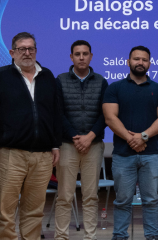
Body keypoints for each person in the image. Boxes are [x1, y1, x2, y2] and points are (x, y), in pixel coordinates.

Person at [0, 32, 63, 240]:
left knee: (34, 211)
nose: (27, 53)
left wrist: (55, 144)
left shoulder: (48, 76)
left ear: (36, 51)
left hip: (42, 156)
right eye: (22, 49)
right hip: (10, 153)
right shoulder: (0, 76)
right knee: (5, 213)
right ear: (12, 52)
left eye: (31, 48)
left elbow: (56, 113)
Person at [103, 46, 158, 240]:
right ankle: (120, 237)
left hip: (151, 155)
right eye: (136, 59)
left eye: (144, 60)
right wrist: (131, 139)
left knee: (151, 200)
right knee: (122, 200)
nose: (140, 63)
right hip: (123, 155)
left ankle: (152, 237)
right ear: (128, 62)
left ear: (149, 63)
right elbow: (110, 118)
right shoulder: (115, 88)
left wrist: (143, 137)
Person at [54, 40, 109, 240]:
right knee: (65, 196)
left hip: (93, 145)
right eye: (77, 54)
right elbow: (57, 113)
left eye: (85, 53)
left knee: (91, 196)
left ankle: (90, 237)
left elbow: (106, 115)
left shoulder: (101, 81)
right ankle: (61, 236)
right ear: (71, 57)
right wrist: (75, 137)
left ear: (91, 56)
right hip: (67, 145)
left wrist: (90, 137)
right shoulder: (59, 80)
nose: (82, 57)